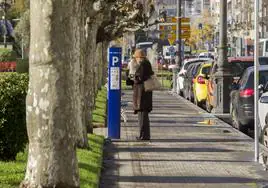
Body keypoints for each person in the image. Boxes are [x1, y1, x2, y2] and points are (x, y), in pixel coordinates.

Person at [133, 49, 154, 141]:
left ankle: (143, 135)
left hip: (142, 95)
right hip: (145, 94)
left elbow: (140, 77)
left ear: (139, 57)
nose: (135, 59)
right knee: (144, 116)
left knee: (142, 117)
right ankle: (145, 135)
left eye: (135, 58)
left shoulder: (142, 64)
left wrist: (134, 78)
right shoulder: (147, 63)